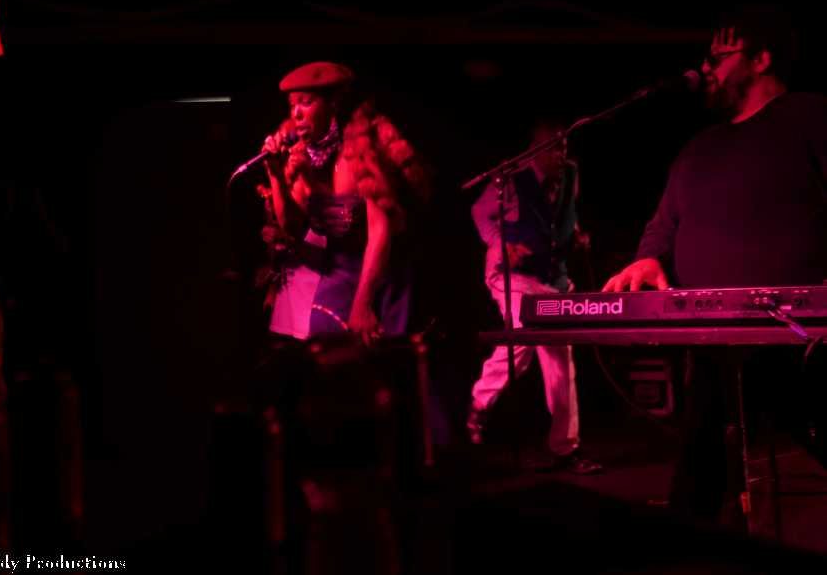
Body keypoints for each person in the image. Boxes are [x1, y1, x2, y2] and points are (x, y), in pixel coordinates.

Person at [603, 5, 827, 524]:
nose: (704, 68)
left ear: (761, 58)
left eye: (717, 57)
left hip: (800, 337)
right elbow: (662, 226)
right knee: (699, 474)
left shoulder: (810, 116)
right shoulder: (699, 148)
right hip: (714, 344)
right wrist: (647, 260)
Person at [257, 61, 430, 346]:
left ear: (333, 103)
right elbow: (291, 226)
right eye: (292, 105)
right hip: (340, 269)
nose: (296, 113)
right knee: (326, 348)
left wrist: (363, 303)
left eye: (306, 103)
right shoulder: (300, 157)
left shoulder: (360, 151)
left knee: (387, 358)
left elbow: (380, 230)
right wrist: (275, 175)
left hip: (383, 271)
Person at [466, 120, 602, 474]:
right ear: (535, 151)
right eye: (553, 148)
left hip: (551, 279)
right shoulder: (512, 179)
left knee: (559, 357)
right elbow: (479, 213)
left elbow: (563, 215)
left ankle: (564, 447)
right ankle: (480, 402)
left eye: (563, 147)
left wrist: (577, 234)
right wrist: (500, 243)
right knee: (525, 331)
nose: (560, 154)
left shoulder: (570, 174)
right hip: (513, 276)